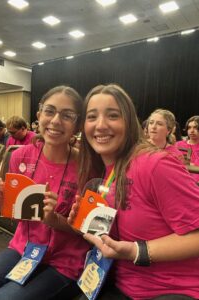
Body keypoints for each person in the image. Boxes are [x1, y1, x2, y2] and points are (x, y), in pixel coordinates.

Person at [69, 84, 199, 299]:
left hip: (174, 289)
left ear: (130, 122)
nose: (100, 125)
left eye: (112, 115)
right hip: (121, 282)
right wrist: (82, 226)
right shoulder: (105, 171)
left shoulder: (155, 164)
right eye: (92, 117)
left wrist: (136, 251)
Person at [0, 86, 90, 299]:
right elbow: (17, 215)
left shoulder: (87, 167)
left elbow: (86, 230)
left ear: (78, 124)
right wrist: (2, 204)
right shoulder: (21, 157)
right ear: (39, 115)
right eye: (50, 111)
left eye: (67, 115)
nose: (55, 120)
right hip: (23, 248)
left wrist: (55, 220)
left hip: (64, 262)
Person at [176, 116, 199, 181]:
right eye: (189, 128)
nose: (191, 131)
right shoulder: (178, 145)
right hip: (180, 180)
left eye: (195, 127)